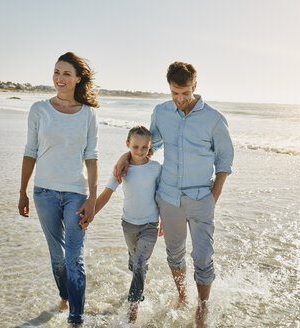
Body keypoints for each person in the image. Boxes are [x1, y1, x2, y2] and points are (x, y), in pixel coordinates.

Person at [114, 62, 234, 327]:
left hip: (202, 198)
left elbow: (225, 160)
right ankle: (182, 295)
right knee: (174, 254)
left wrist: (214, 196)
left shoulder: (213, 119)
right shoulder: (161, 112)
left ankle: (202, 308)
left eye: (186, 93)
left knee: (202, 256)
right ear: (169, 88)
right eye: (174, 93)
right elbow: (149, 145)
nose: (180, 99)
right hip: (168, 198)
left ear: (195, 86)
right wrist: (126, 155)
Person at [18, 52, 99, 326]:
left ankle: (76, 318)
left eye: (66, 73)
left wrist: (93, 197)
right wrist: (23, 191)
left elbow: (92, 155)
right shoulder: (39, 110)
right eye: (56, 72)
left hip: (76, 192)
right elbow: (30, 151)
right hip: (44, 193)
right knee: (58, 256)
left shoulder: (88, 114)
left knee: (74, 257)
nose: (59, 78)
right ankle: (64, 296)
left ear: (78, 79)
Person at [94, 126, 162, 323]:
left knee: (140, 264)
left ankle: (133, 309)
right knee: (135, 263)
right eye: (135, 147)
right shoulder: (122, 169)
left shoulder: (156, 168)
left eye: (144, 147)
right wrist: (90, 215)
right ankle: (138, 285)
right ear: (128, 145)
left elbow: (162, 197)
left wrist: (165, 221)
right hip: (128, 225)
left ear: (150, 147)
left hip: (150, 225)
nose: (140, 151)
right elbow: (107, 193)